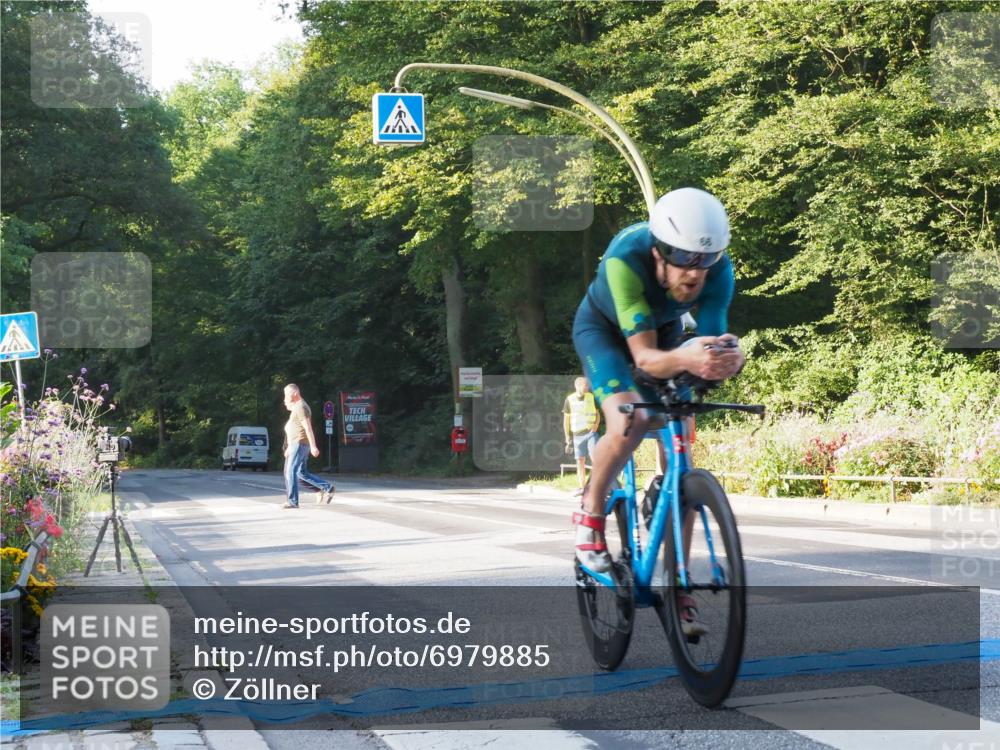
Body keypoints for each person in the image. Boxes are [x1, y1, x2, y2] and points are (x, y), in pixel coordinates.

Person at [571, 187, 745, 634]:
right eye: (683, 258)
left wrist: (726, 358)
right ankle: (590, 516)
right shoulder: (624, 261)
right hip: (604, 334)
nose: (695, 272)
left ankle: (678, 584)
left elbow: (710, 341)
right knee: (633, 418)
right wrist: (689, 357)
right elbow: (647, 360)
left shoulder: (719, 270)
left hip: (664, 331)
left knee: (681, 432)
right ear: (659, 252)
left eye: (705, 261)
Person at [281, 384, 334, 508]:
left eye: (287, 394)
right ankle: (327, 488)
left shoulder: (301, 407)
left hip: (299, 444)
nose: (285, 397)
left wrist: (313, 446)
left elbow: (308, 428)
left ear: (295, 393)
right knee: (301, 473)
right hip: (298, 444)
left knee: (290, 471)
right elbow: (294, 427)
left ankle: (293, 502)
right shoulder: (298, 407)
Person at [563, 377, 601, 497]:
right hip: (577, 435)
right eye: (585, 385)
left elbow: (598, 413)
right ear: (577, 386)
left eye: (587, 385)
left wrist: (596, 424)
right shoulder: (569, 399)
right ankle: (582, 488)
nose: (587, 387)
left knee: (595, 459)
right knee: (580, 461)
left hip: (590, 432)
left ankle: (598, 486)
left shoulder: (591, 397)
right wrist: (567, 436)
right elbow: (566, 420)